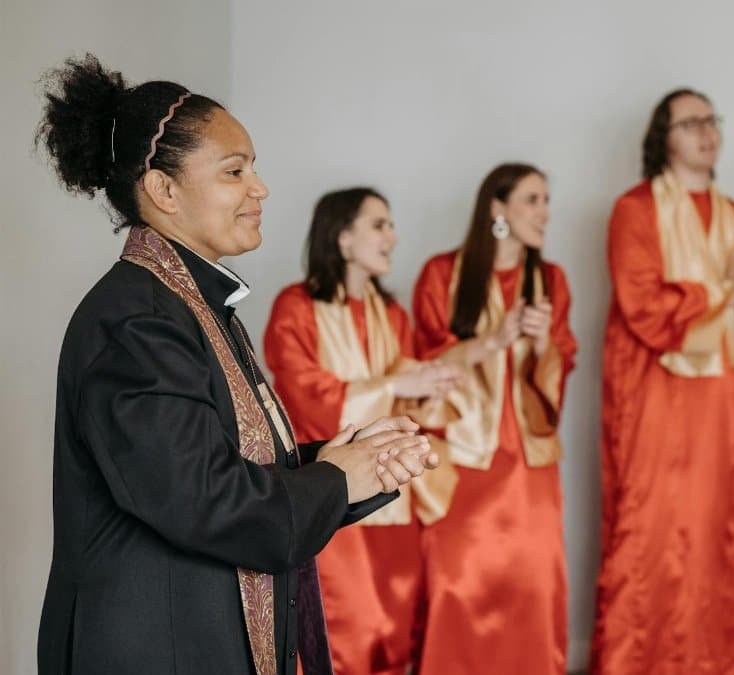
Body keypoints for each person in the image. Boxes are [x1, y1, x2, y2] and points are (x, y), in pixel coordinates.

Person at [34, 54, 437, 675]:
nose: (260, 188)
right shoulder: (134, 320)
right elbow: (203, 500)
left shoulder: (193, 303)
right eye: (234, 171)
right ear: (164, 190)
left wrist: (355, 462)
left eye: (254, 168)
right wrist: (338, 480)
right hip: (158, 649)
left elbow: (225, 466)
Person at [590, 88, 734, 675]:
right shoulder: (634, 209)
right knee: (651, 534)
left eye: (712, 120)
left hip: (721, 399)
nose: (707, 131)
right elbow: (644, 309)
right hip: (657, 396)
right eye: (691, 122)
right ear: (663, 138)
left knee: (718, 534)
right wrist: (732, 284)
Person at [263, 187, 460, 673]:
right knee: (347, 627)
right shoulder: (295, 307)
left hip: (394, 496)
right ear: (343, 238)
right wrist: (396, 380)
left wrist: (426, 389)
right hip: (335, 495)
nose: (393, 236)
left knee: (396, 622)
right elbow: (303, 395)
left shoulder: (393, 315)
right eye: (380, 225)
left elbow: (401, 401)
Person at [410, 163, 577, 674]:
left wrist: (545, 344)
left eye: (548, 199)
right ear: (496, 208)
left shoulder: (551, 280)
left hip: (529, 468)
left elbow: (563, 362)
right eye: (533, 199)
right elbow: (423, 365)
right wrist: (496, 341)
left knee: (534, 591)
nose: (545, 211)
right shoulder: (441, 274)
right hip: (461, 464)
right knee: (457, 590)